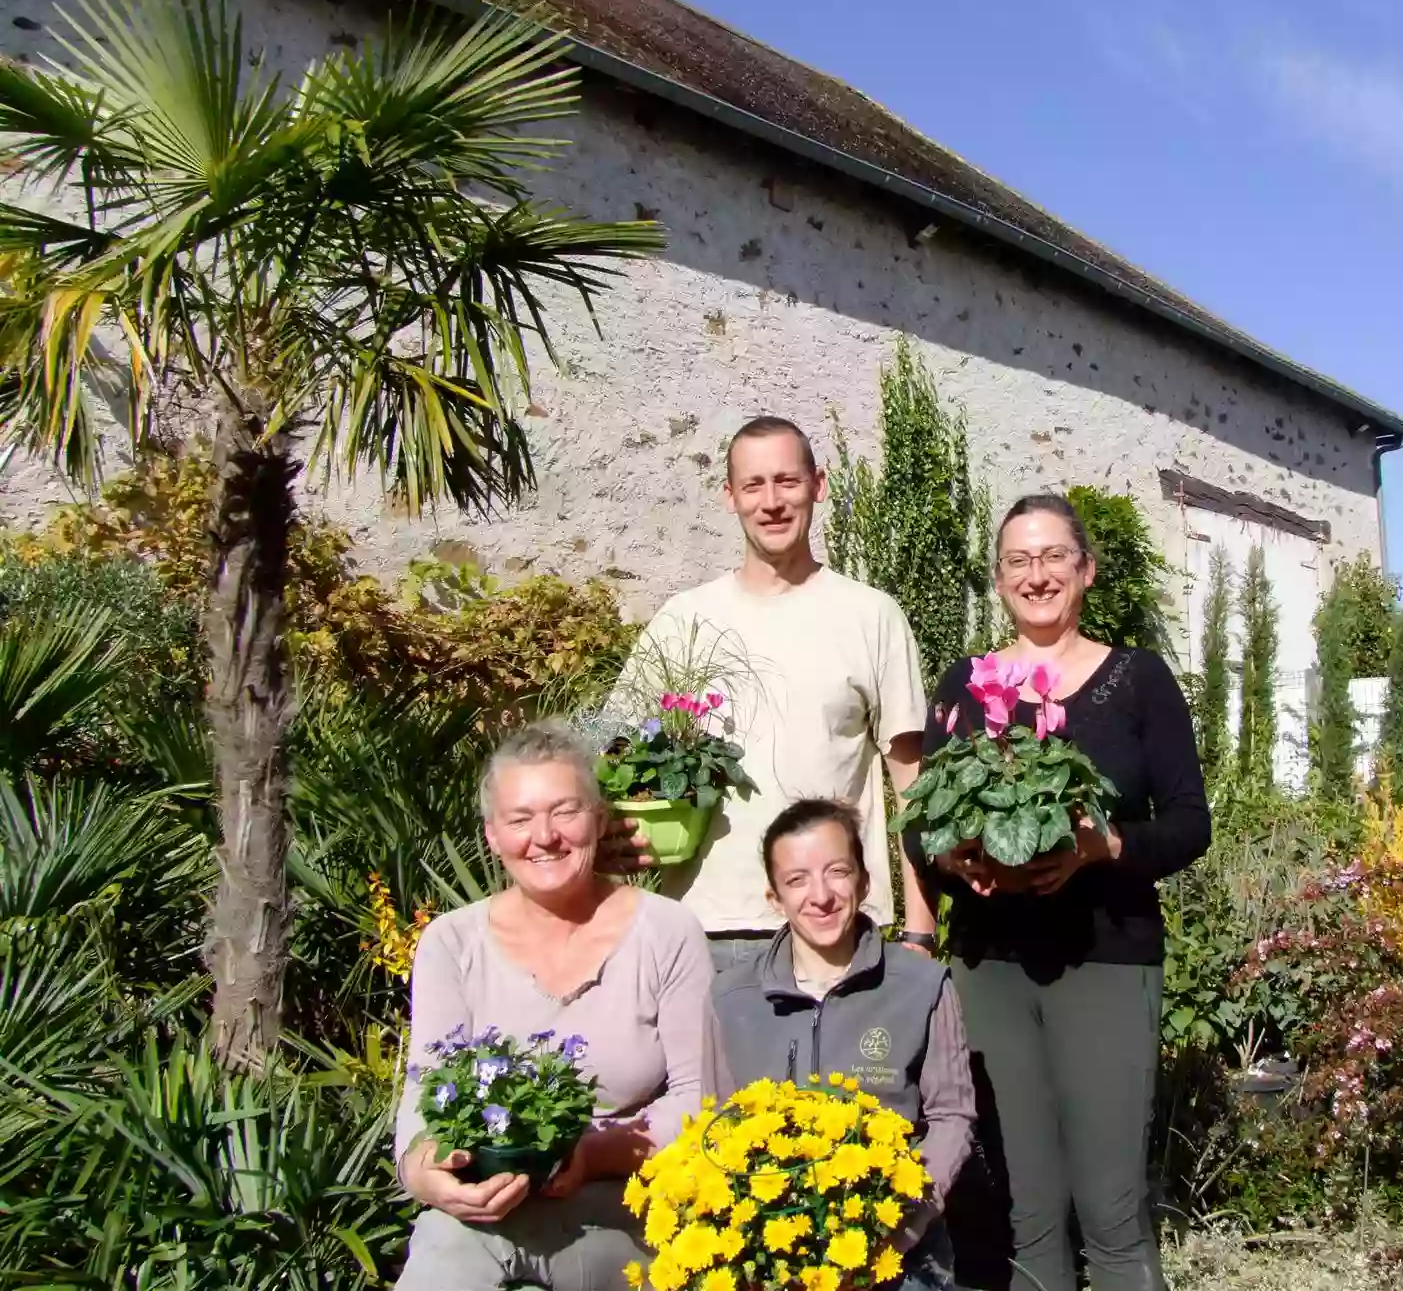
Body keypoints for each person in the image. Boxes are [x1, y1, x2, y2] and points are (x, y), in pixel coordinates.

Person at [904, 493, 1210, 1291]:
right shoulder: (966, 683)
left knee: (1109, 1205)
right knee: (1021, 1205)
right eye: (1017, 560)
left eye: (1053, 558)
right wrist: (954, 865)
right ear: (998, 578)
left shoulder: (1137, 680)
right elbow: (922, 821)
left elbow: (1187, 825)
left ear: (1086, 571)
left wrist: (1106, 845)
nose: (1035, 575)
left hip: (1105, 956)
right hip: (990, 962)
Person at [394, 723, 722, 1291]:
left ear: (598, 818)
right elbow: (427, 1091)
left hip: (631, 1208)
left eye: (564, 811)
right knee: (448, 1241)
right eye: (519, 819)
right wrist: (428, 1176)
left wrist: (593, 1154)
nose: (543, 837)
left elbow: (702, 1098)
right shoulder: (453, 943)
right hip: (489, 1213)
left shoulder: (666, 932)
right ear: (492, 836)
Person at [601, 415, 935, 972]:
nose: (772, 501)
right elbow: (610, 756)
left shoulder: (871, 615)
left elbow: (913, 788)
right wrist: (613, 843)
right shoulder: (684, 620)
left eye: (787, 481)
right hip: (702, 930)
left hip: (837, 927)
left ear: (818, 486)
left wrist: (920, 933)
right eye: (753, 485)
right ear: (729, 496)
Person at [711, 798, 974, 1290]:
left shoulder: (922, 985)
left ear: (864, 881)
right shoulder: (731, 998)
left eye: (837, 872)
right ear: (774, 898)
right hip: (771, 1254)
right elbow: (717, 1123)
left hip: (897, 1248)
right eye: (797, 880)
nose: (821, 895)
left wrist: (904, 1226)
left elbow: (952, 1117)